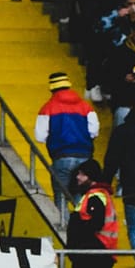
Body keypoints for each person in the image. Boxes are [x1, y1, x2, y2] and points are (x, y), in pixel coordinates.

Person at [36, 72, 101, 226]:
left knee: (61, 196)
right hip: (84, 156)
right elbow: (94, 131)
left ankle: (65, 230)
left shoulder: (47, 108)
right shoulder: (86, 106)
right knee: (80, 195)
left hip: (61, 157)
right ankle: (84, 226)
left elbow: (39, 136)